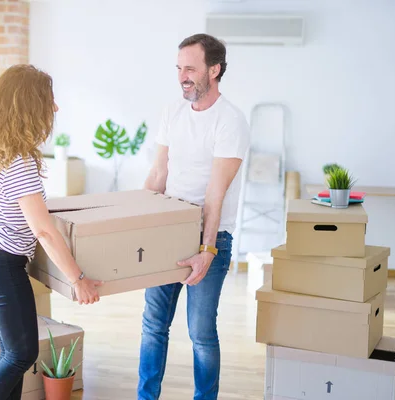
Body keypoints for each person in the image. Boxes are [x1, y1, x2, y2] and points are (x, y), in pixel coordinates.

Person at [0, 64, 103, 400]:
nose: (55, 108)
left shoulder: (4, 153)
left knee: (14, 353)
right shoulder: (19, 162)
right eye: (49, 100)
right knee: (21, 354)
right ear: (29, 105)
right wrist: (78, 279)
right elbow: (43, 230)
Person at [137, 34, 250, 400]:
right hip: (169, 230)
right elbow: (158, 175)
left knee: (200, 332)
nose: (182, 76)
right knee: (153, 325)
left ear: (214, 70)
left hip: (210, 235)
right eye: (179, 68)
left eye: (190, 68)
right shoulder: (172, 112)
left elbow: (214, 195)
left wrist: (207, 250)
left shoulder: (230, 121)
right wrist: (136, 228)